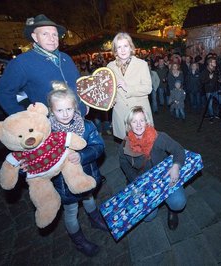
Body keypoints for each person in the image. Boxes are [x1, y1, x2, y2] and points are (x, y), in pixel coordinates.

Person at [47, 82, 106, 257]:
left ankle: (95, 219)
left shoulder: (86, 126)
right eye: (59, 110)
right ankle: (79, 240)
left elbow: (99, 146)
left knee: (89, 199)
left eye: (68, 109)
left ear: (75, 108)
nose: (65, 114)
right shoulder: (46, 132)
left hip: (87, 175)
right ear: (51, 111)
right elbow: (37, 157)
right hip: (63, 184)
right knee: (71, 211)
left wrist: (82, 156)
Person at [0, 14, 86, 116]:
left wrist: (85, 105)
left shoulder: (66, 58)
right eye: (45, 34)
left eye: (54, 34)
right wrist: (26, 118)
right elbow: (3, 93)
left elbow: (79, 85)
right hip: (50, 127)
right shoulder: (22, 62)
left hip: (79, 120)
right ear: (35, 37)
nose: (52, 39)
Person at [118, 106, 187, 230]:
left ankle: (172, 210)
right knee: (148, 217)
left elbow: (178, 149)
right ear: (129, 125)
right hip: (143, 182)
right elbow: (123, 163)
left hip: (165, 177)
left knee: (178, 202)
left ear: (147, 122)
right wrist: (135, 180)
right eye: (134, 121)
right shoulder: (125, 145)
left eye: (142, 120)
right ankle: (156, 203)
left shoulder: (159, 137)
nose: (138, 125)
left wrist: (176, 166)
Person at [107, 32, 153, 141]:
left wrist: (128, 88)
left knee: (144, 148)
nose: (122, 50)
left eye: (125, 46)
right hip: (120, 112)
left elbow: (148, 88)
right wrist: (109, 100)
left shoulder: (141, 64)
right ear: (115, 50)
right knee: (126, 148)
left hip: (139, 114)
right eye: (119, 47)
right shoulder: (110, 66)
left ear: (131, 47)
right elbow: (109, 90)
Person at [200, 56, 221, 123]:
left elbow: (217, 79)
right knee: (209, 105)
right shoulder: (204, 71)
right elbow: (202, 82)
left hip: (216, 89)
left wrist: (220, 80)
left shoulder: (216, 70)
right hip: (209, 91)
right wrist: (209, 78)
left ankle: (216, 113)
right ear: (210, 63)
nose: (215, 63)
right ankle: (211, 116)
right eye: (214, 62)